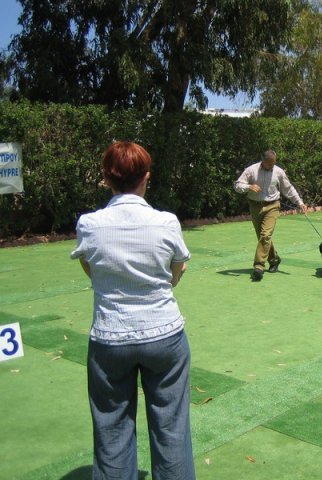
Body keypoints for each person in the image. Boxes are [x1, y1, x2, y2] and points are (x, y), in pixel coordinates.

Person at [70, 141, 195, 480]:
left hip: (110, 338)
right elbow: (174, 274)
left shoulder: (89, 224)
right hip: (165, 335)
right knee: (172, 429)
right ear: (146, 178)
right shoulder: (166, 222)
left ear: (107, 180)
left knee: (112, 432)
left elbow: (90, 269)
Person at [234, 149, 307, 281]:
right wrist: (249, 187)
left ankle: (258, 266)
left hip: (273, 205)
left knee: (266, 235)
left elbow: (288, 188)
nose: (272, 166)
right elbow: (237, 185)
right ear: (263, 161)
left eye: (274, 163)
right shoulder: (251, 170)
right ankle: (274, 259)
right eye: (270, 164)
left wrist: (299, 202)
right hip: (255, 206)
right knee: (263, 237)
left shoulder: (278, 172)